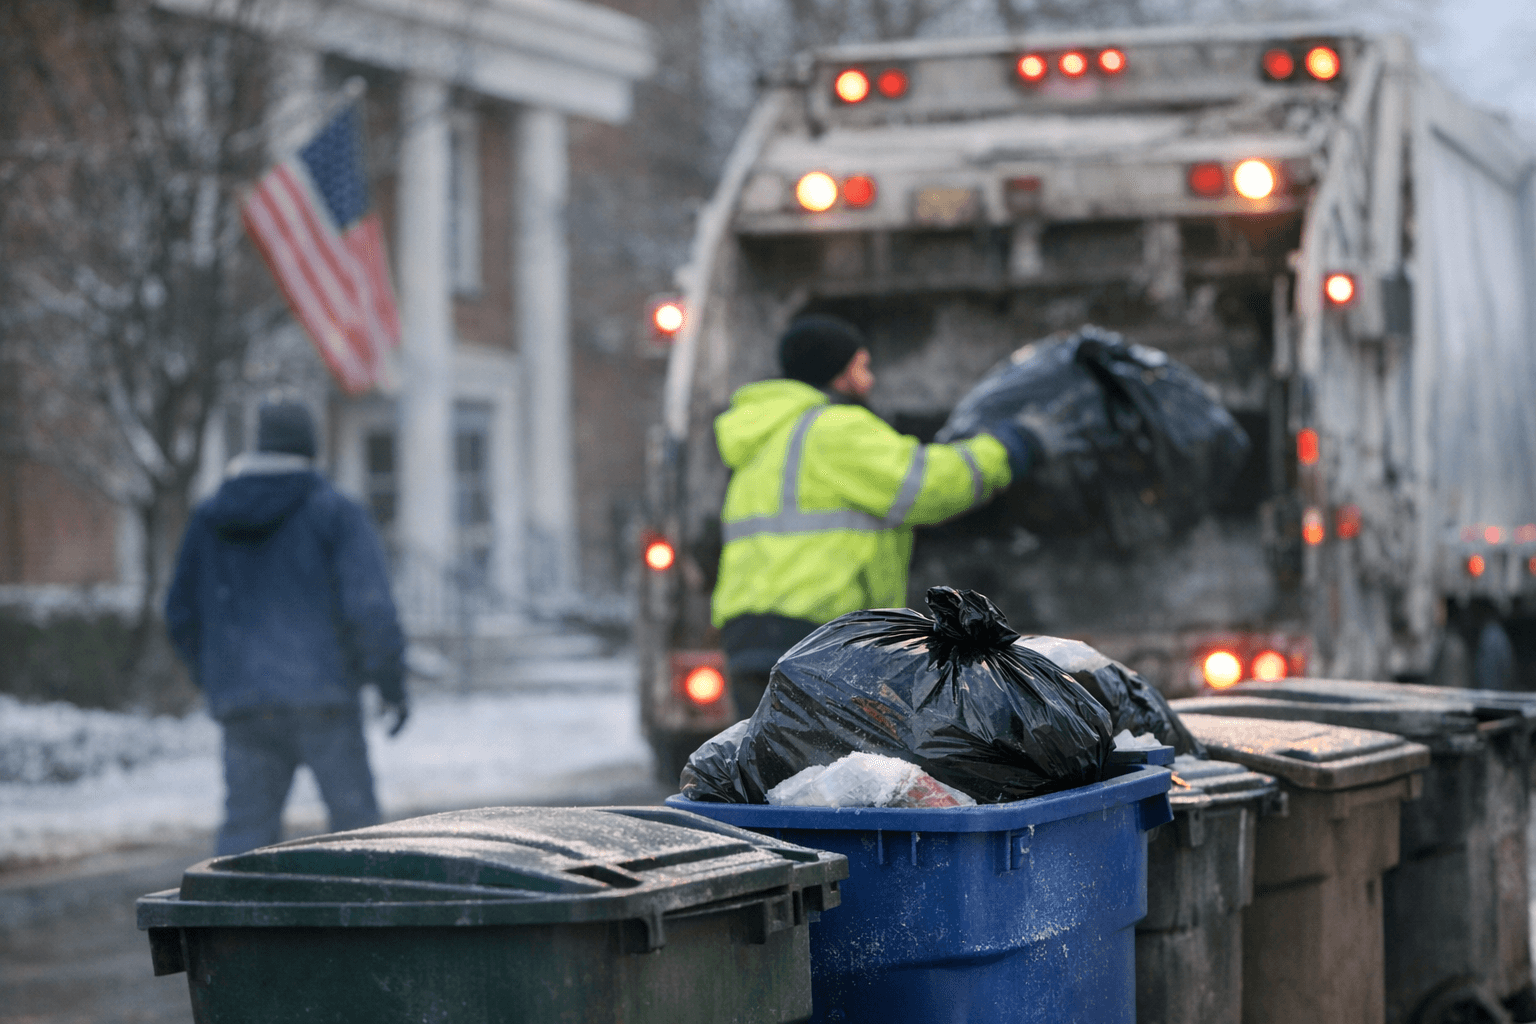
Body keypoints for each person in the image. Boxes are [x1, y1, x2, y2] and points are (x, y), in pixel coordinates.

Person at [710, 314, 1037, 717]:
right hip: (818, 635)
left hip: (751, 635)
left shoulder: (765, 438)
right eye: (862, 367)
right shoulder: (835, 429)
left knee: (784, 770)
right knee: (835, 771)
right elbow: (928, 486)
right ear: (839, 372)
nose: (870, 380)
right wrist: (1008, 449)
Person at [166, 399, 408, 855]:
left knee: (242, 849)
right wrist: (391, 686)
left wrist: (218, 675)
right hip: (326, 702)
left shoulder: (209, 518)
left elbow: (179, 612)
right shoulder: (335, 512)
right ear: (308, 448)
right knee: (361, 844)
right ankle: (364, 928)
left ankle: (230, 927)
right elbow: (371, 609)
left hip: (245, 707)